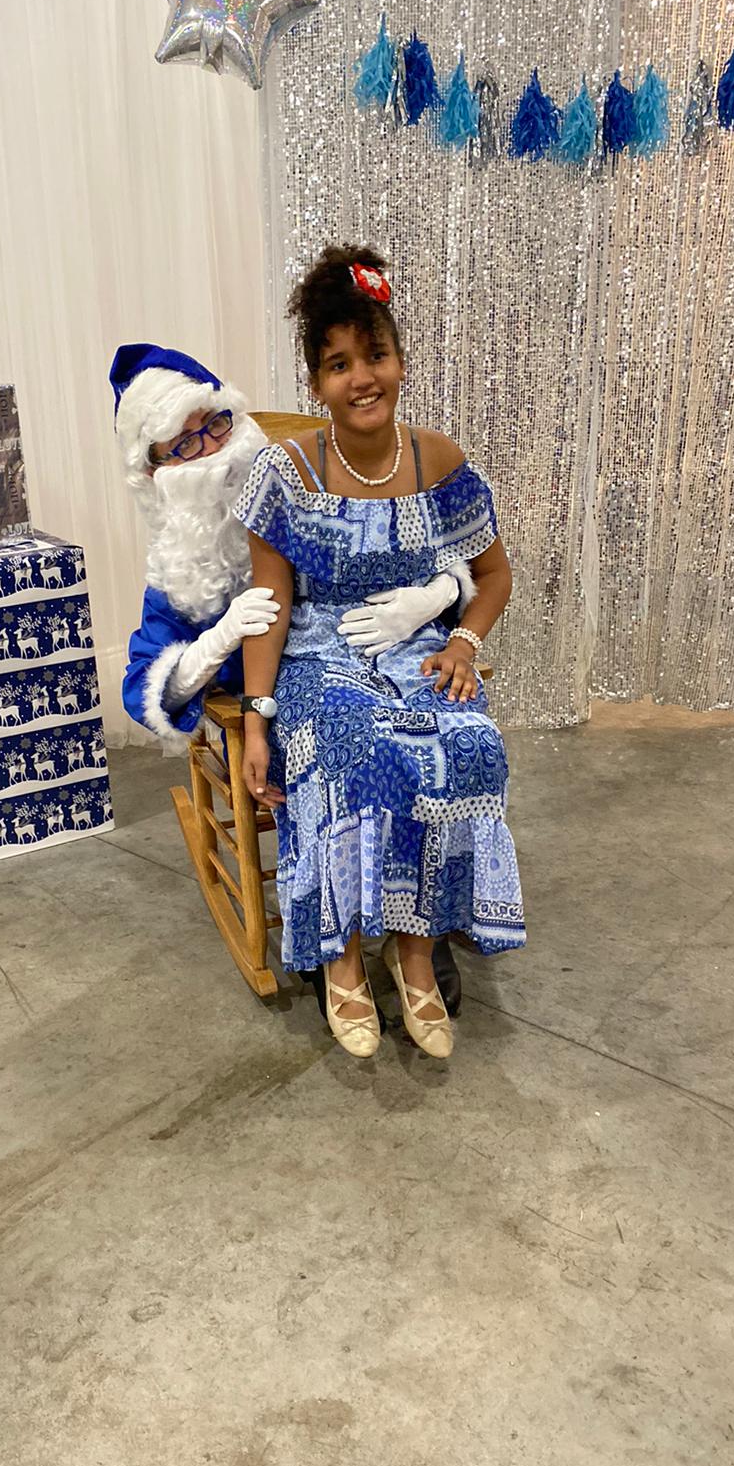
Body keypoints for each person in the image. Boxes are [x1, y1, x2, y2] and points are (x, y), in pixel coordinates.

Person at [111, 340, 475, 1016]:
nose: (212, 450)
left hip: (370, 662)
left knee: (433, 735)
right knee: (331, 750)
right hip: (272, 708)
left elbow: (404, 542)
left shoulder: (308, 476)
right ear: (156, 471)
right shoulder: (180, 575)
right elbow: (144, 688)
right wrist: (218, 641)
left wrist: (437, 594)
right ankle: (331, 936)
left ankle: (415, 926)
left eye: (216, 424)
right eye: (184, 444)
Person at [233, 246, 526, 1060]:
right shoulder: (286, 472)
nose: (361, 379)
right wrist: (256, 720)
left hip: (416, 650)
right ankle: (341, 959)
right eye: (338, 365)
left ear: (399, 361)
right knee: (352, 749)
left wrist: (462, 638)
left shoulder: (440, 461)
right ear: (316, 382)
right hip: (318, 658)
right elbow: (268, 608)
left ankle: (415, 952)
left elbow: (494, 575)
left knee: (468, 744)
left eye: (376, 356)